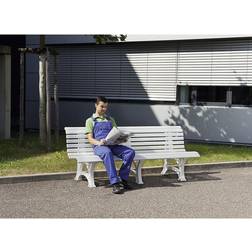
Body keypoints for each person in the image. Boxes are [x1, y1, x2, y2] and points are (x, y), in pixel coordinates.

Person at [85, 96, 135, 194]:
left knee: (130, 152)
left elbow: (115, 132)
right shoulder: (90, 121)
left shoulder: (110, 119)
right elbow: (90, 139)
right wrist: (99, 142)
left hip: (113, 145)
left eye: (106, 107)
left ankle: (123, 179)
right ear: (96, 105)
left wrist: (120, 139)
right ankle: (115, 183)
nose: (104, 109)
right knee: (107, 152)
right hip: (100, 146)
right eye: (102, 106)